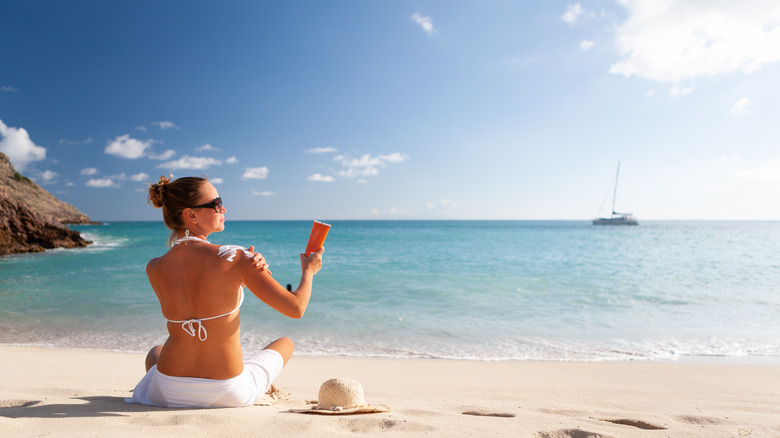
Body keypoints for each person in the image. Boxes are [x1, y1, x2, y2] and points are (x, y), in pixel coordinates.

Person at [126, 175, 323, 408]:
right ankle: (259, 380)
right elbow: (296, 308)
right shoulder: (235, 256)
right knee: (285, 343)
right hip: (227, 391)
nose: (224, 208)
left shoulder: (155, 267)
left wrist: (245, 267)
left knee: (156, 352)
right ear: (191, 215)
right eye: (217, 204)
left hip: (168, 389)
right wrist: (308, 271)